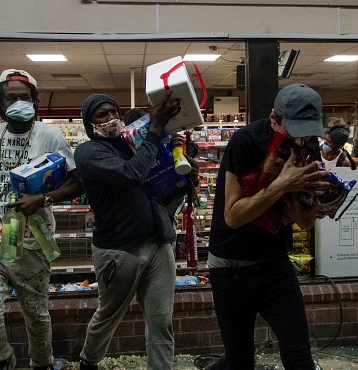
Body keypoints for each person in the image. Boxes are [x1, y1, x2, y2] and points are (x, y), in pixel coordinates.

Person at [0, 69, 83, 370]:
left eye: (25, 98)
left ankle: (42, 363)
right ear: (0, 103)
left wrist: (43, 199)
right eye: (11, 98)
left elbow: (77, 181)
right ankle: (2, 360)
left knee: (36, 313)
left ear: (35, 101)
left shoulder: (50, 135)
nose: (19, 103)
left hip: (33, 235)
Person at [206, 83, 328, 370]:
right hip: (230, 265)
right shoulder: (246, 142)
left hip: (274, 263)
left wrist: (308, 199)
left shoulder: (309, 147)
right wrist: (281, 185)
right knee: (240, 360)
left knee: (299, 356)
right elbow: (233, 217)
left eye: (308, 130)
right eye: (294, 130)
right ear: (274, 118)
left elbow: (305, 223)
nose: (302, 139)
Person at [75, 92, 181, 370]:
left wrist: (172, 150)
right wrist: (156, 129)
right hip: (118, 251)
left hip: (158, 243)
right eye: (102, 115)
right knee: (109, 314)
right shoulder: (88, 153)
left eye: (113, 112)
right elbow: (130, 174)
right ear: (89, 124)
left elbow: (159, 179)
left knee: (161, 320)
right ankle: (89, 360)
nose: (111, 118)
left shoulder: (131, 143)